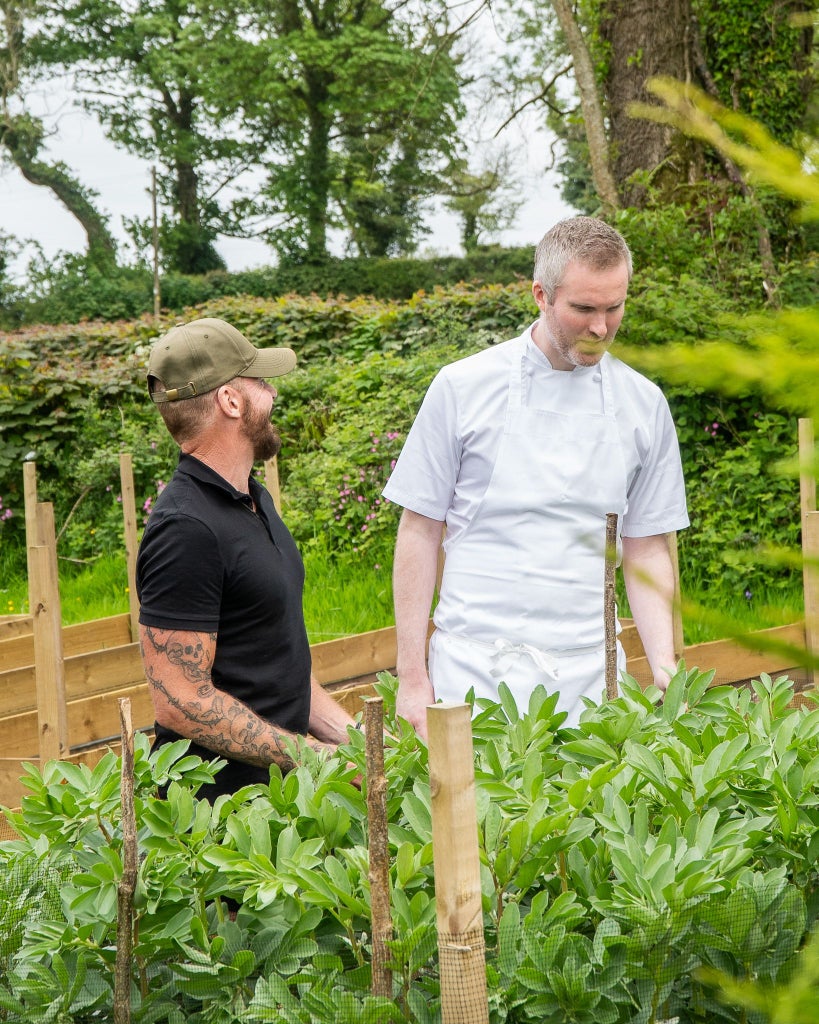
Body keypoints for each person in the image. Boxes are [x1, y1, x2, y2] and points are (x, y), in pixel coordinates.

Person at [382, 216, 689, 734]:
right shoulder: (462, 387)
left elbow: (647, 544)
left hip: (594, 674)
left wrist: (664, 667)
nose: (600, 327)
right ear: (541, 295)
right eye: (584, 309)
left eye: (615, 308)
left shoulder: (644, 403)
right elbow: (419, 531)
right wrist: (412, 676)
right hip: (473, 670)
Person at [137, 317, 358, 801]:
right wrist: (310, 758)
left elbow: (275, 666)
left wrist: (357, 745)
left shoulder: (252, 499)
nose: (272, 394)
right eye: (259, 381)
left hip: (279, 801)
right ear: (231, 401)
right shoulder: (186, 529)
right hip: (218, 825)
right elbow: (181, 701)